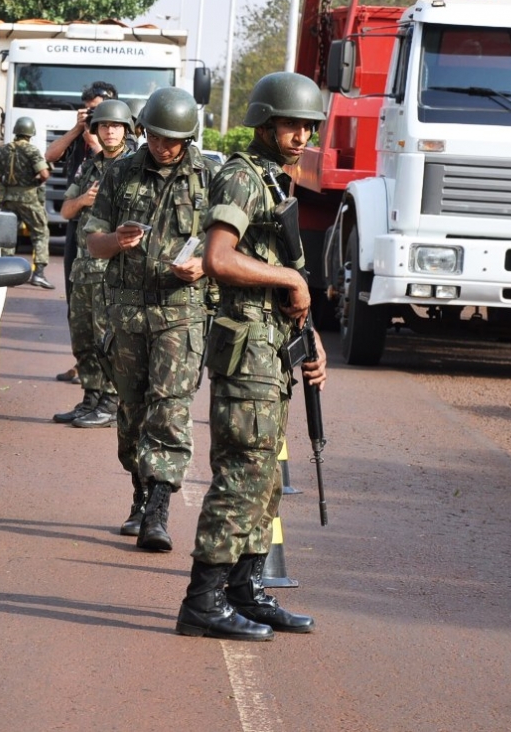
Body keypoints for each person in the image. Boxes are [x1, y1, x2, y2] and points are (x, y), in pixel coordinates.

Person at [176, 72, 328, 642]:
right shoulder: (242, 177)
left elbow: (288, 286)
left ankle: (246, 590)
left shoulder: (276, 182)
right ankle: (202, 600)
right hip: (246, 353)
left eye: (308, 127)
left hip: (271, 349)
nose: (301, 136)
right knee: (242, 473)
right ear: (265, 123)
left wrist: (309, 340)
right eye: (291, 125)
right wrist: (287, 274)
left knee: (264, 478)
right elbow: (218, 257)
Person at [85, 87, 216, 549]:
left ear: (188, 137)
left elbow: (229, 245)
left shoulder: (208, 177)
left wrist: (204, 263)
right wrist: (114, 242)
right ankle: (140, 495)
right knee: (132, 411)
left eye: (173, 139)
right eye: (157, 136)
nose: (164, 146)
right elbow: (91, 240)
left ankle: (158, 510)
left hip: (181, 313)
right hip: (127, 313)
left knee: (171, 407)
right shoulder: (121, 172)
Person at [52, 99, 136, 429]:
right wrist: (84, 199)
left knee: (109, 340)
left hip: (114, 271)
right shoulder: (89, 166)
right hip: (84, 269)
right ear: (96, 130)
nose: (110, 131)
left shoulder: (133, 168)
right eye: (104, 125)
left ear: (127, 130)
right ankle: (91, 398)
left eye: (116, 126)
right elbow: (64, 211)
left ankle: (111, 402)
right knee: (83, 338)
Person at [46, 82, 119, 382]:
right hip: (77, 223)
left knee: (103, 311)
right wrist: (78, 130)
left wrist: (95, 134)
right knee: (76, 298)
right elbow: (51, 155)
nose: (94, 114)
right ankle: (83, 363)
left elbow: (107, 160)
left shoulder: (115, 140)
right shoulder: (81, 135)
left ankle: (103, 382)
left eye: (99, 108)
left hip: (104, 232)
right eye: (90, 108)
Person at [0, 116, 55, 289]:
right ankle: (39, 274)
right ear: (30, 133)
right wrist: (34, 182)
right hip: (29, 199)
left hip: (8, 198)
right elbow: (44, 174)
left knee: (8, 234)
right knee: (40, 232)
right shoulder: (32, 151)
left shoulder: (3, 150)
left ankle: (6, 274)